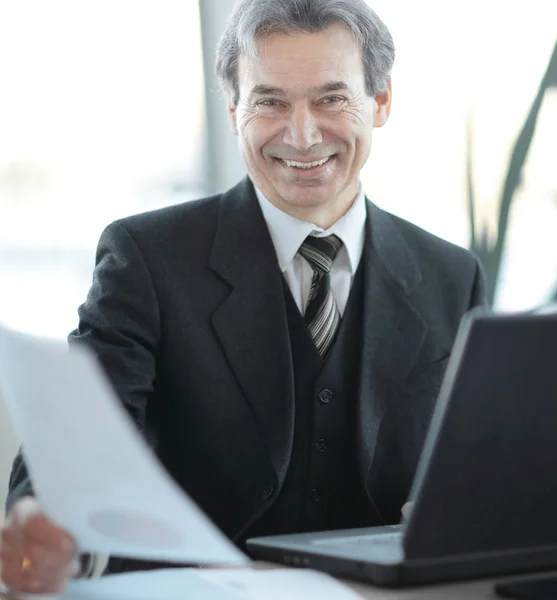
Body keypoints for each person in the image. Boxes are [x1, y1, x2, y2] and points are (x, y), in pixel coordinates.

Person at [0, 0, 486, 594]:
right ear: (233, 110)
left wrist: (468, 509)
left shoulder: (451, 275)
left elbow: (475, 467)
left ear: (380, 102)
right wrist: (39, 520)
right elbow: (78, 435)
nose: (302, 135)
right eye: (270, 101)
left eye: (331, 99)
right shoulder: (147, 257)